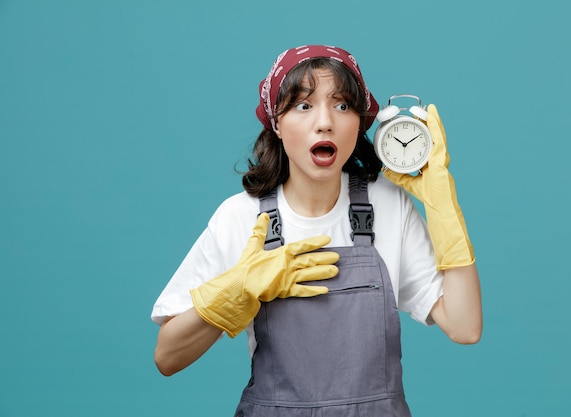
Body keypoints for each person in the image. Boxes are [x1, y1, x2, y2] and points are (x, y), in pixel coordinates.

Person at [151, 44, 482, 416]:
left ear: (360, 123)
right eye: (303, 106)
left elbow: (465, 327)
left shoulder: (388, 207)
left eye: (342, 106)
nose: (325, 122)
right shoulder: (240, 219)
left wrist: (443, 207)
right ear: (275, 123)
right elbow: (167, 357)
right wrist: (236, 290)